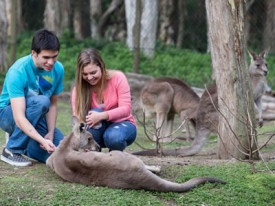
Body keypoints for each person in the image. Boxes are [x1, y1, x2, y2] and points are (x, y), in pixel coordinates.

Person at [0, 29, 64, 166]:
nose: (51, 62)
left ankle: (24, 141)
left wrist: (50, 134)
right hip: (7, 114)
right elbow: (19, 117)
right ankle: (11, 150)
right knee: (41, 101)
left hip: (35, 115)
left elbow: (53, 105)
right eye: (46, 57)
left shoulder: (58, 69)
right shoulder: (17, 72)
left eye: (54, 56)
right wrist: (41, 140)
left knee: (60, 151)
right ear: (34, 53)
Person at [71, 48, 137, 151]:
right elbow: (79, 119)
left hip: (123, 124)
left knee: (113, 137)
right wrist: (83, 141)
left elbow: (126, 108)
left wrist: (102, 116)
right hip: (97, 131)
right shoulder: (78, 89)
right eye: (85, 74)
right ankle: (94, 156)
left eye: (93, 72)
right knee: (93, 113)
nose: (89, 78)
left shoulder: (118, 78)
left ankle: (115, 157)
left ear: (101, 66)